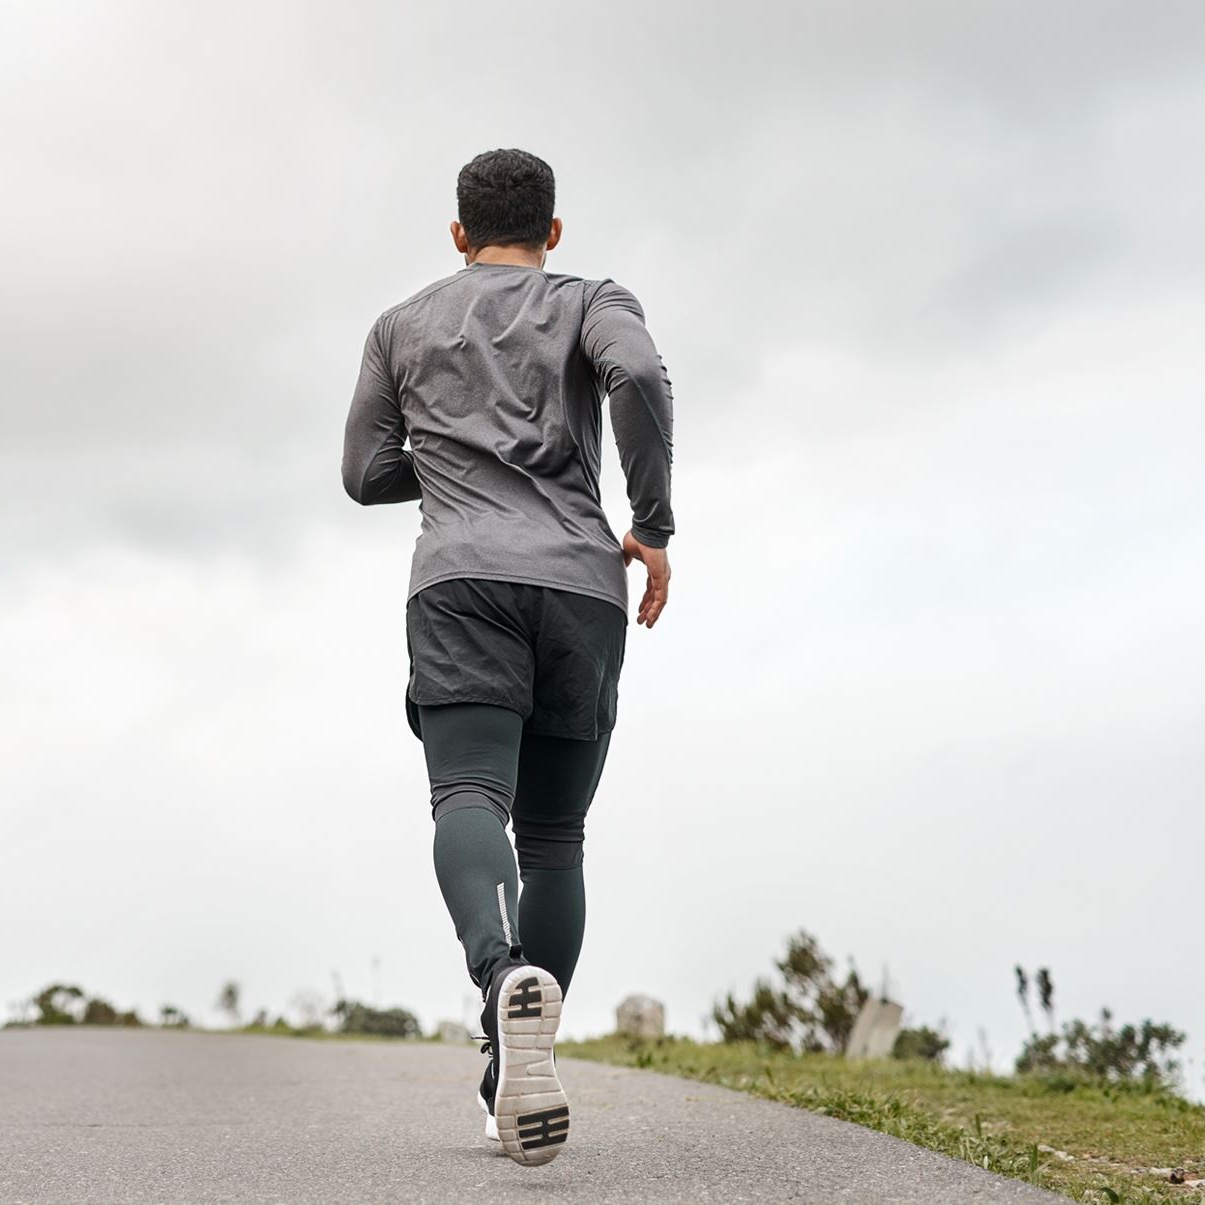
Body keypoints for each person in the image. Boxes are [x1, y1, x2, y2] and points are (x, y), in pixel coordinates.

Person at [340, 148, 675, 1167]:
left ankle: (498, 978)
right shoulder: (591, 299)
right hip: (580, 583)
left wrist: (453, 454)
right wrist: (652, 522)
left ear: (458, 233)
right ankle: (510, 1067)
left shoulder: (400, 326)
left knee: (467, 795)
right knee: (556, 837)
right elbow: (638, 375)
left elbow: (363, 471)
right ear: (551, 231)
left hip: (461, 583)